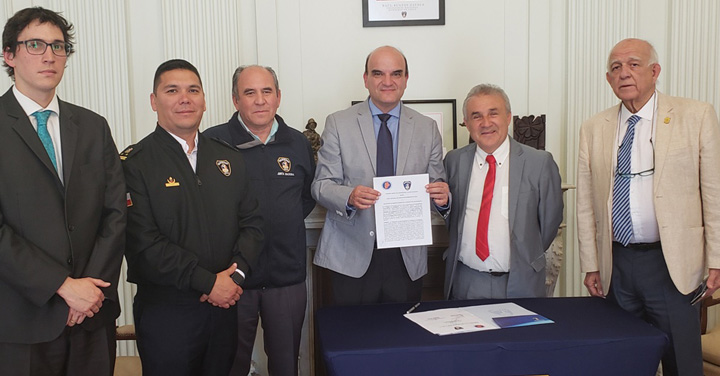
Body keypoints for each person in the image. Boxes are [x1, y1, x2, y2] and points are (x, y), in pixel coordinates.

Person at [577, 38, 720, 376]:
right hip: (617, 263)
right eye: (615, 67)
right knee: (623, 361)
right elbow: (585, 204)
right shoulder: (593, 128)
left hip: (672, 265)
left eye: (633, 64)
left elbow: (713, 193)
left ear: (655, 71)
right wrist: (591, 264)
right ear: (608, 80)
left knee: (682, 362)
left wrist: (716, 259)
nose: (624, 73)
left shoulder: (696, 115)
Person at [0, 7, 126, 375]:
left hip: (91, 316)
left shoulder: (92, 126)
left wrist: (88, 293)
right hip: (21, 321)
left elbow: (116, 213)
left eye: (58, 46)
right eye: (35, 45)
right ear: (9, 55)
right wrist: (62, 286)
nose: (49, 55)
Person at [122, 59, 263, 376]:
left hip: (225, 307)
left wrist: (234, 279)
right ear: (154, 101)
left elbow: (253, 225)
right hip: (168, 314)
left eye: (193, 90)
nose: (185, 98)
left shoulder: (228, 158)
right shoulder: (135, 164)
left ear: (204, 99)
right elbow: (144, 244)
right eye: (172, 90)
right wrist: (209, 282)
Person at [312, 45, 450, 306]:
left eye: (396, 74)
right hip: (351, 255)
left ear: (406, 79)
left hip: (405, 257)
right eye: (378, 74)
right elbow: (321, 185)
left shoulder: (427, 128)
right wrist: (349, 196)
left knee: (402, 339)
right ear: (365, 79)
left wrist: (442, 199)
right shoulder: (338, 123)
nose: (388, 82)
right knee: (353, 339)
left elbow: (436, 185)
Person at [204, 65, 315, 376]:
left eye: (267, 91)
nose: (260, 100)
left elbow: (306, 197)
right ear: (235, 100)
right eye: (249, 93)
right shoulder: (213, 143)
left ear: (278, 97)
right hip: (232, 279)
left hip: (287, 279)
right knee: (229, 365)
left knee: (285, 365)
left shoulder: (297, 143)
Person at [443, 84, 563, 300]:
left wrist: (524, 254)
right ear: (467, 123)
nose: (486, 123)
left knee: (521, 336)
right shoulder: (454, 161)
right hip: (465, 281)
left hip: (520, 281)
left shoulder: (539, 163)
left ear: (508, 117)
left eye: (493, 113)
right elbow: (451, 217)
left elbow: (549, 224)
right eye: (476, 116)